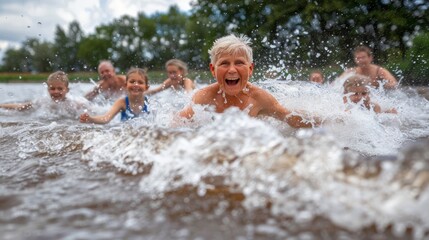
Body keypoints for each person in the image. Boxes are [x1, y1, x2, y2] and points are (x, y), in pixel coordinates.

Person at [177, 34, 316, 128]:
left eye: (239, 63)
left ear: (250, 69)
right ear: (213, 69)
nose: (232, 70)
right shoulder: (204, 97)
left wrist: (331, 121)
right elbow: (176, 125)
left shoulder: (259, 98)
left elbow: (293, 118)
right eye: (224, 63)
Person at [80, 68, 150, 124]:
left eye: (140, 82)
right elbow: (106, 118)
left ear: (146, 87)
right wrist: (91, 119)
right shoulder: (122, 102)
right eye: (132, 82)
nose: (136, 85)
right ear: (126, 85)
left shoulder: (149, 103)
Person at [0, 71, 84, 112]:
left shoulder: (74, 104)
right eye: (52, 88)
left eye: (60, 89)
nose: (56, 91)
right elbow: (20, 106)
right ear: (48, 89)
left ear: (67, 90)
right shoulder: (42, 101)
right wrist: (1, 105)